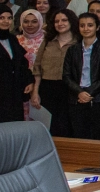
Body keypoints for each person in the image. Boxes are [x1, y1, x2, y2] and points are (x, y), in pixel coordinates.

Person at [63, 12, 100, 141]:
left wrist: (89, 92)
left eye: (90, 25)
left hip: (99, 99)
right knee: (79, 136)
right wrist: (80, 92)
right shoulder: (72, 50)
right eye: (82, 25)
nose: (86, 28)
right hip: (77, 99)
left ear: (97, 27)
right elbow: (66, 76)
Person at [31, 8, 75, 136]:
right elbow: (37, 67)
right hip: (47, 87)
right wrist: (35, 92)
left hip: (69, 88)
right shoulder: (48, 41)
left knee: (66, 125)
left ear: (71, 21)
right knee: (50, 126)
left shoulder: (78, 42)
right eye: (56, 21)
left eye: (64, 20)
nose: (60, 23)